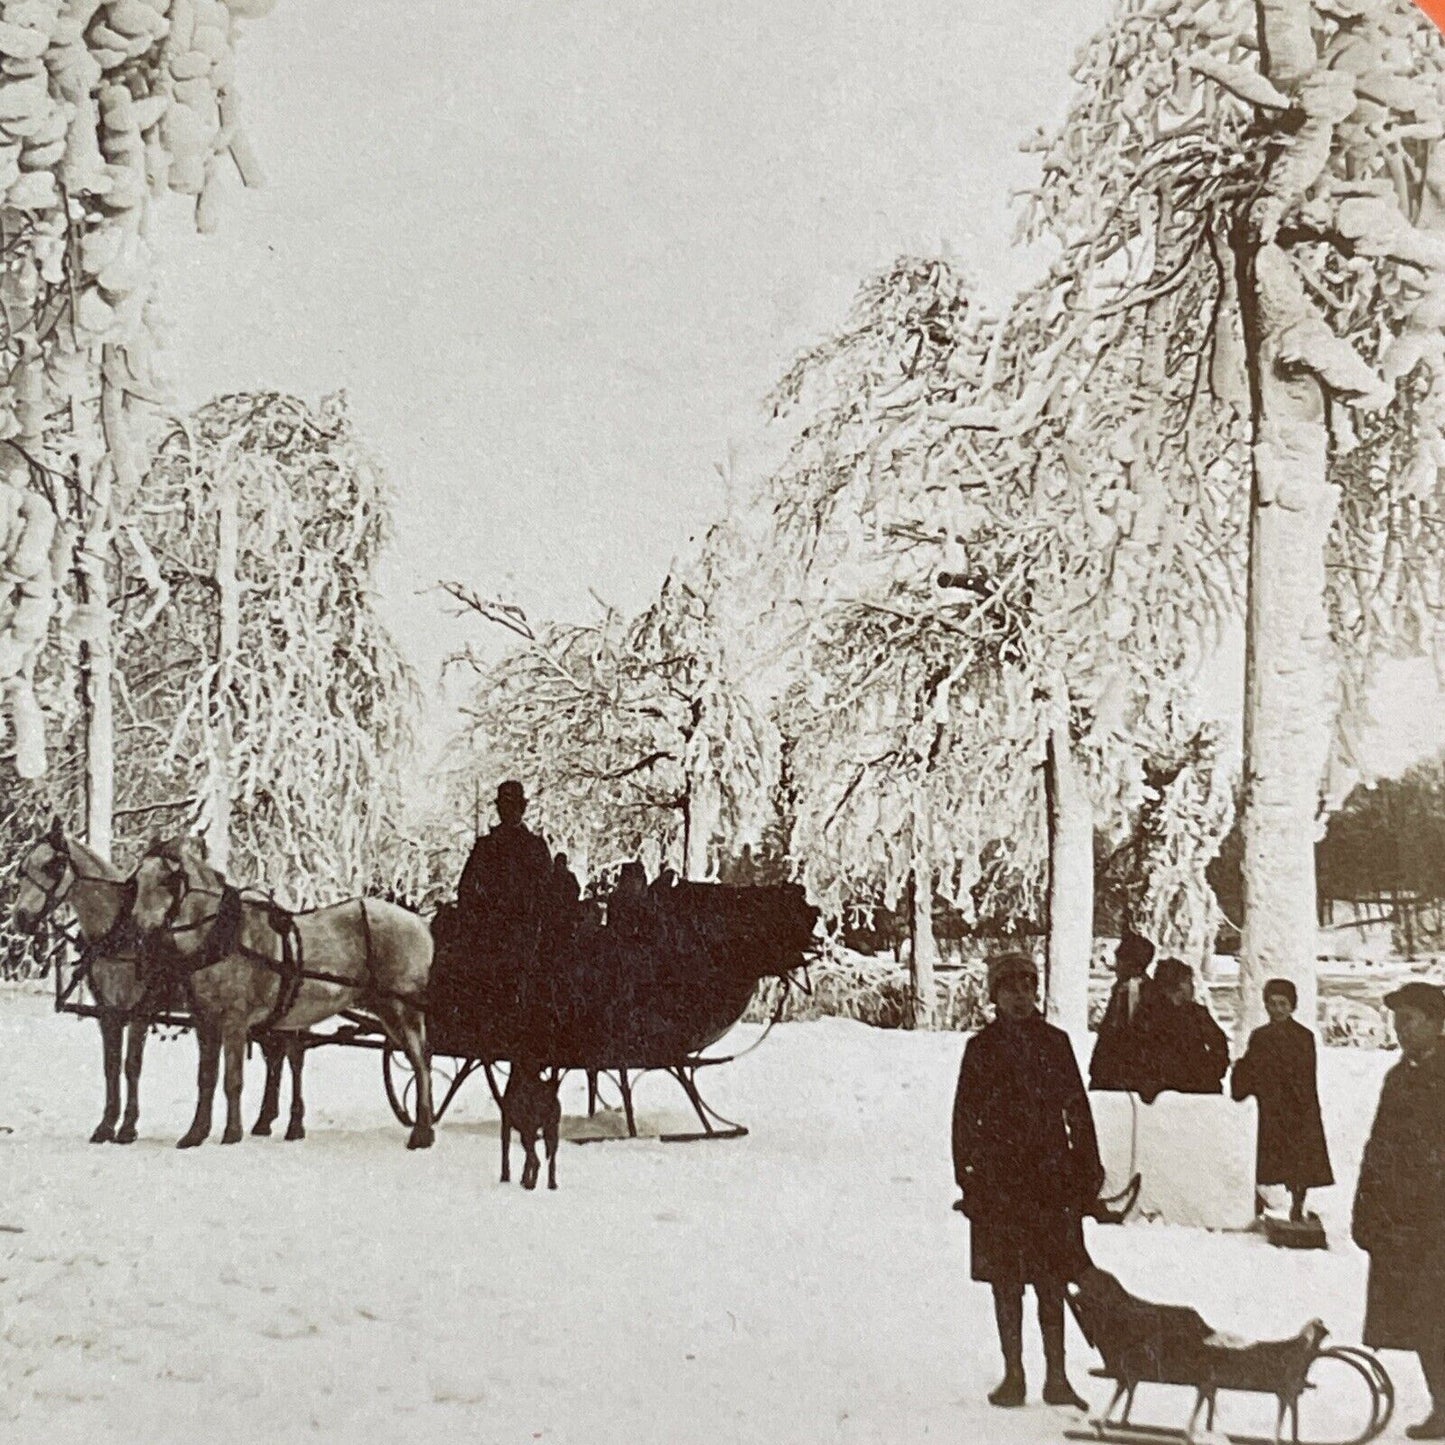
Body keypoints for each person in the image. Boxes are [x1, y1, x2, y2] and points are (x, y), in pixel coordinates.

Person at [952, 952, 1104, 1411]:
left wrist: (1088, 1169)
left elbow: (1077, 1107)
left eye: (1027, 986)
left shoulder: (1055, 1043)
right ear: (994, 995)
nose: (1020, 996)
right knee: (1007, 1280)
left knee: (1052, 1280)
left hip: (1051, 1179)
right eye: (1009, 988)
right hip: (1000, 1182)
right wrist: (969, 1177)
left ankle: (1056, 1376)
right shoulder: (981, 1048)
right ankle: (1013, 1374)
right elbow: (964, 1118)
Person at [1352, 980, 1445, 1441]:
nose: (1400, 1030)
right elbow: (1377, 1148)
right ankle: (1443, 1407)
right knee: (1425, 1319)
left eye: (1408, 1021)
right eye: (1396, 1021)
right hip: (1404, 1225)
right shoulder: (1399, 1076)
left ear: (1435, 1022)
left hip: (1437, 1223)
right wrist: (1364, 1208)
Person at [1230, 979, 1333, 1222]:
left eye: (1282, 1004)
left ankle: (1297, 1204)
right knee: (1264, 1156)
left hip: (1297, 1106)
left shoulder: (1304, 1037)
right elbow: (1251, 1068)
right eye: (1272, 1004)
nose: (1277, 1009)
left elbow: (1305, 1073)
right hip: (1269, 1106)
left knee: (1299, 1163)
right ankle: (1255, 1201)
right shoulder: (1260, 1036)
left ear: (1292, 1006)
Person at [457, 780, 555, 957]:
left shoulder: (535, 846)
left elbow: (547, 891)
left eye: (512, 805)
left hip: (525, 931)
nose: (507, 810)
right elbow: (466, 888)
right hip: (489, 931)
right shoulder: (485, 846)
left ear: (522, 807)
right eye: (504, 805)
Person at [1136, 958, 1230, 1104]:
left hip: (1198, 1088)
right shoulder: (1149, 1015)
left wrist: (1211, 1071)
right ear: (1177, 986)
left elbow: (1219, 1043)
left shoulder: (1197, 1014)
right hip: (1163, 1092)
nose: (1192, 987)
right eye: (1188, 982)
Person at [1089, 931, 1158, 1092]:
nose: (1116, 965)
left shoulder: (1148, 994)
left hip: (1133, 1075)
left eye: (1121, 960)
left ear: (1135, 965)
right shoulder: (1120, 989)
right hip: (1109, 1073)